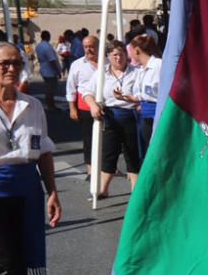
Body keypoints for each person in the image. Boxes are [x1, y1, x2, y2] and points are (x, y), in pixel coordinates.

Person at [0, 41, 62, 275]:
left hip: (27, 190)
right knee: (4, 262)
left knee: (20, 257)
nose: (11, 68)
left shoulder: (32, 105)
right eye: (3, 63)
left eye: (16, 63)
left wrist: (52, 191)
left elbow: (44, 151)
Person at [82, 40, 142, 197]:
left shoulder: (136, 72)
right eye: (114, 55)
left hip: (131, 116)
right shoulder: (102, 73)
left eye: (121, 54)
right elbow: (87, 92)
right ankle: (103, 189)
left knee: (132, 154)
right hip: (110, 117)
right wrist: (93, 106)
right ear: (108, 56)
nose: (118, 58)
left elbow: (142, 94)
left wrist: (133, 99)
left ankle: (135, 192)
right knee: (108, 153)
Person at [66, 35, 100, 179]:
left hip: (106, 105)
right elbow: (71, 88)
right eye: (85, 46)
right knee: (89, 139)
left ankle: (108, 167)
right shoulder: (77, 64)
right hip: (85, 107)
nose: (88, 49)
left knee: (109, 139)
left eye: (91, 46)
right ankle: (90, 170)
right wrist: (72, 108)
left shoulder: (107, 62)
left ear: (98, 46)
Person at [124, 34, 163, 153]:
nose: (128, 54)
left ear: (136, 50)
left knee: (155, 150)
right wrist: (133, 98)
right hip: (143, 114)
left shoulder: (158, 65)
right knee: (145, 150)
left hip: (156, 113)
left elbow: (161, 91)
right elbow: (143, 93)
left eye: (129, 51)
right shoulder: (140, 69)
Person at [34, 30, 62, 111]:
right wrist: (57, 71)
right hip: (50, 71)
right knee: (51, 89)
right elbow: (52, 60)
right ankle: (51, 106)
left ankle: (50, 105)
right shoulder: (47, 47)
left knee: (48, 88)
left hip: (44, 68)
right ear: (48, 37)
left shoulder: (39, 46)